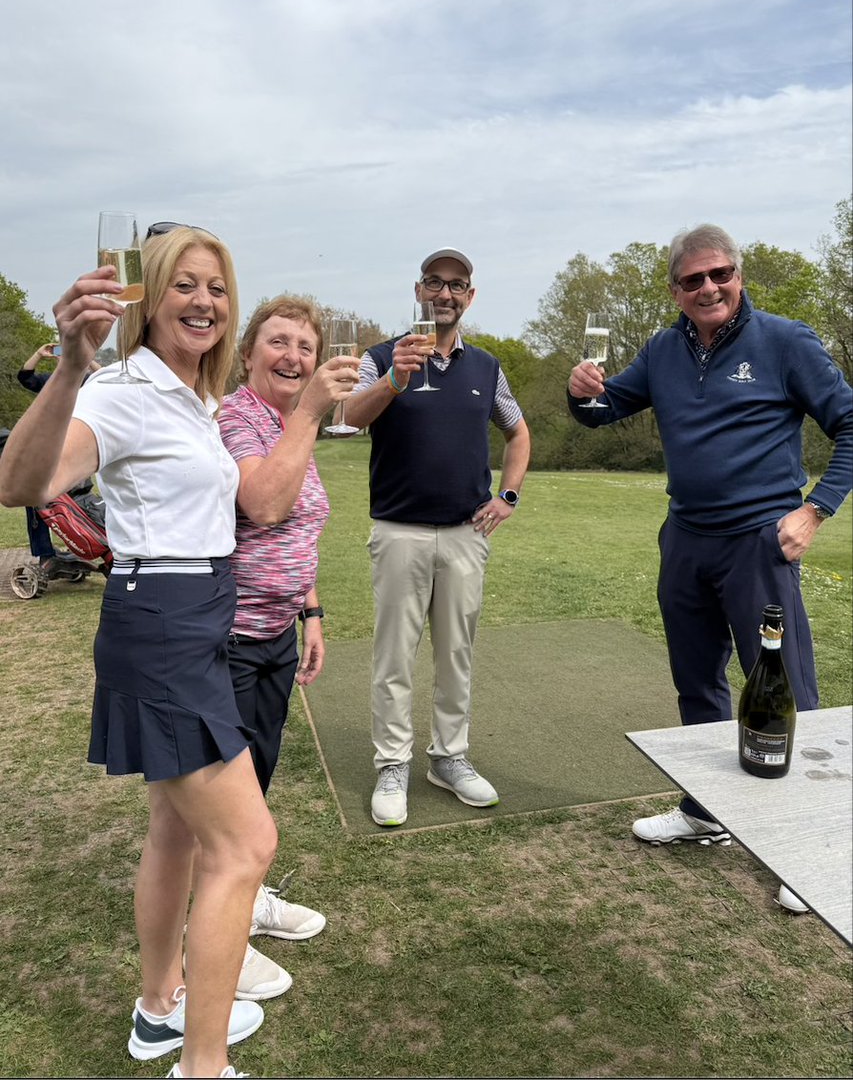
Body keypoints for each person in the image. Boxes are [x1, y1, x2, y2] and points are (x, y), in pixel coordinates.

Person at [0, 225, 275, 1078]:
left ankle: (159, 1010)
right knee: (245, 846)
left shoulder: (197, 397)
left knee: (177, 831)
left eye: (217, 288)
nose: (203, 302)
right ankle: (202, 1067)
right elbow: (22, 485)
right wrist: (75, 367)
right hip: (159, 622)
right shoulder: (117, 388)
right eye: (184, 286)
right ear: (147, 300)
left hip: (193, 614)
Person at [567, 222, 853, 911]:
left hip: (759, 542)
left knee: (782, 696)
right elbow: (604, 413)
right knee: (695, 684)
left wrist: (815, 510)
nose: (708, 287)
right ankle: (704, 810)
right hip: (685, 540)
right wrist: (581, 394)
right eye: (692, 279)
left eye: (719, 273)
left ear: (738, 276)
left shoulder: (784, 340)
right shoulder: (663, 348)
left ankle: (807, 845)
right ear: (674, 290)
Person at [345, 248, 531, 827]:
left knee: (456, 654)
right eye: (435, 283)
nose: (445, 294)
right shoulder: (383, 356)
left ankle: (448, 758)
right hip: (399, 529)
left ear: (469, 297)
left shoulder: (486, 367)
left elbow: (518, 432)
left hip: (464, 535)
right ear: (418, 290)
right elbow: (348, 416)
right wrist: (397, 379)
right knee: (394, 656)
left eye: (457, 285)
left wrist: (508, 497)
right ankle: (393, 764)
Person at [217, 296, 359, 999]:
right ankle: (221, 938)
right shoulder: (237, 416)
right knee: (225, 797)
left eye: (305, 346)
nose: (295, 357)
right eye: (279, 341)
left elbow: (299, 533)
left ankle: (249, 896)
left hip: (276, 630)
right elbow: (264, 506)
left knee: (257, 781)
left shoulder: (284, 422)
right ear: (247, 353)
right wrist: (308, 412)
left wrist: (311, 614)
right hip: (229, 636)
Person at [17, 345, 101, 569]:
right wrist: (38, 354)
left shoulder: (85, 382)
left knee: (78, 498)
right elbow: (24, 377)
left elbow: (104, 377)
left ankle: (91, 543)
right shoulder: (49, 382)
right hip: (47, 448)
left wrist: (87, 358)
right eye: (60, 354)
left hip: (74, 446)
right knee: (37, 501)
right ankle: (46, 554)